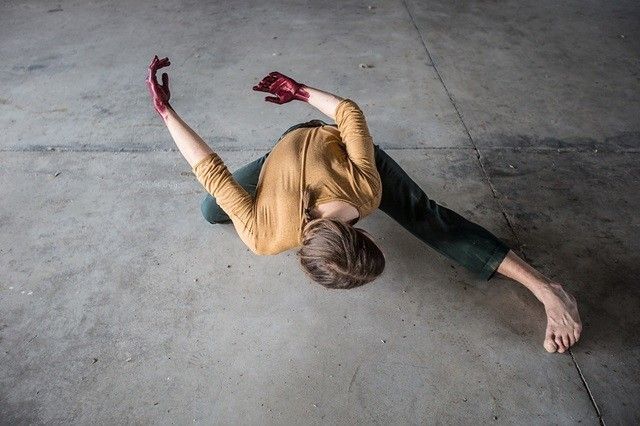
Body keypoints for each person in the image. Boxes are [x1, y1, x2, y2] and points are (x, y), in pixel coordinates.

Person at [146, 55, 582, 354]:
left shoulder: (332, 201)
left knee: (426, 218)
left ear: (366, 235)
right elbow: (216, 172)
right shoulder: (338, 201)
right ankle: (547, 290)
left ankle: (547, 289)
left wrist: (166, 111)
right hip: (296, 153)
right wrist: (297, 93)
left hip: (322, 150)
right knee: (212, 208)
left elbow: (344, 119)